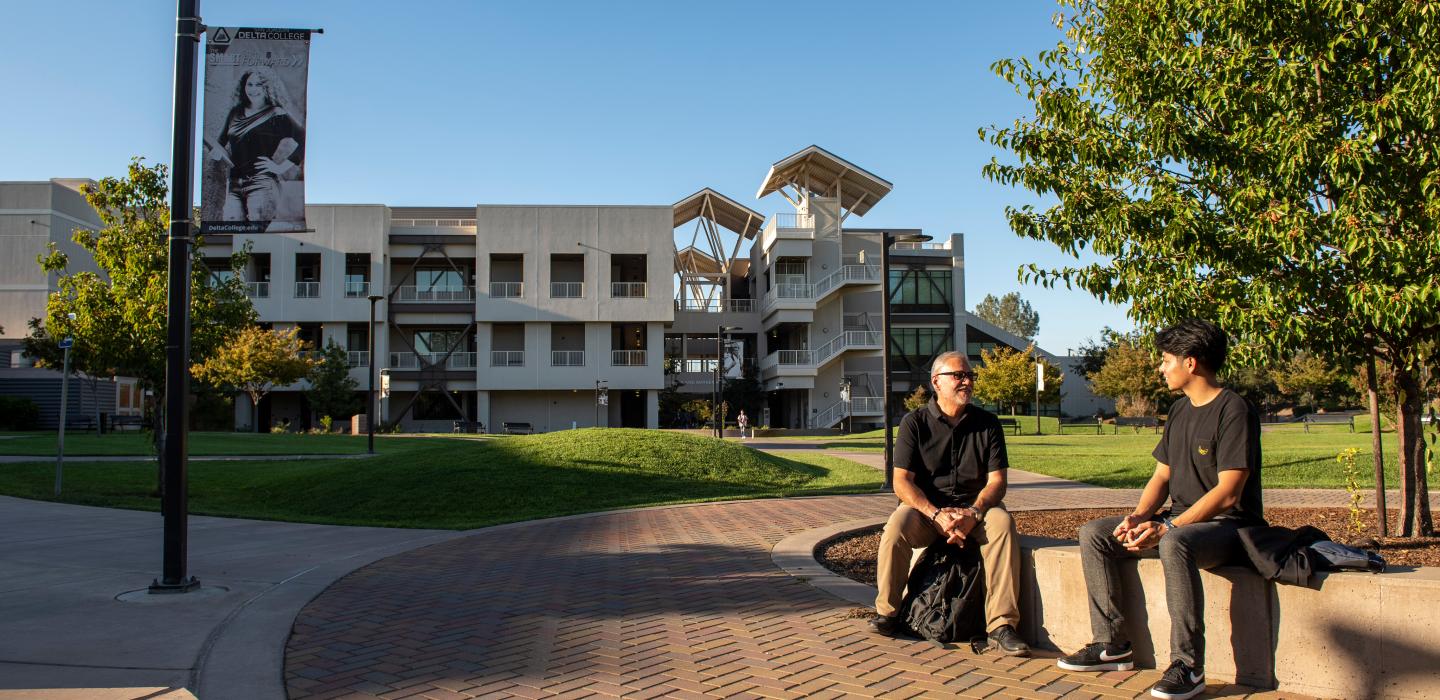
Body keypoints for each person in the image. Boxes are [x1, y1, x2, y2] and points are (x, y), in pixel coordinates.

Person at [1057, 319, 1263, 700]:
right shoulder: (1180, 410)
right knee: (1095, 534)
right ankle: (1111, 645)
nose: (1160, 367)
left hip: (1230, 527)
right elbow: (1161, 476)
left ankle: (1188, 665)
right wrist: (1138, 517)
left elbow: (1229, 492)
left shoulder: (1234, 410)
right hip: (1181, 521)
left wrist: (1169, 526)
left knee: (1175, 543)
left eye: (1167, 360)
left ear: (1191, 362)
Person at [868, 350, 1030, 656]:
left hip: (976, 510)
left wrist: (974, 512)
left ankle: (1001, 626)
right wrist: (936, 514)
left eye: (969, 376)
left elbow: (997, 482)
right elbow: (901, 482)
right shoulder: (914, 423)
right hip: (928, 511)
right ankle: (887, 612)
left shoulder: (988, 424)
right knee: (896, 527)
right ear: (936, 382)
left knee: (1003, 524)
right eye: (958, 375)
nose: (967, 381)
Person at [207, 67, 305, 225]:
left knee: (256, 233)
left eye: (258, 85)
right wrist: (216, 153)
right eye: (249, 84)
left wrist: (279, 168)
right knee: (232, 227)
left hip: (262, 183)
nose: (253, 89)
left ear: (267, 87)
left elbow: (303, 139)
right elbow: (220, 143)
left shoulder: (276, 114)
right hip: (234, 184)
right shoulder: (235, 113)